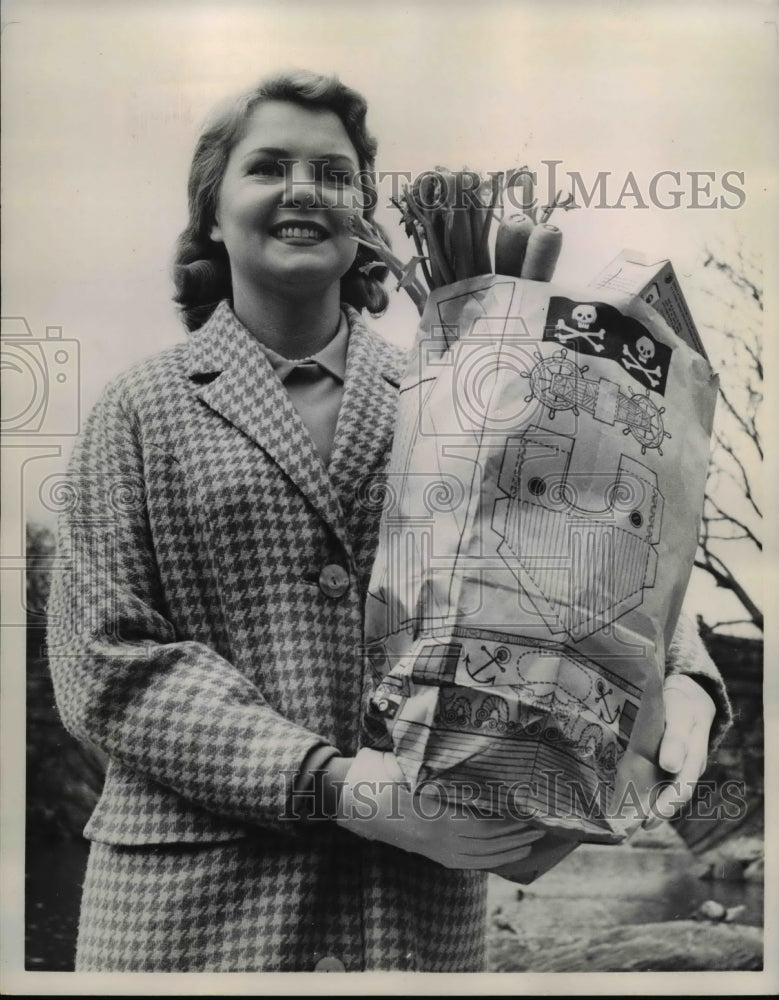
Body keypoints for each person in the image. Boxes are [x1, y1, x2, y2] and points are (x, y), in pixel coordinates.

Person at [47, 69, 731, 973]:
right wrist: (333, 786)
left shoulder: (459, 383)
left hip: (411, 915)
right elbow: (106, 661)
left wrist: (682, 679)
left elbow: (592, 530)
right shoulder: (138, 410)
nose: (303, 189)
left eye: (333, 173)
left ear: (365, 218)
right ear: (211, 212)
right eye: (268, 167)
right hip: (190, 915)